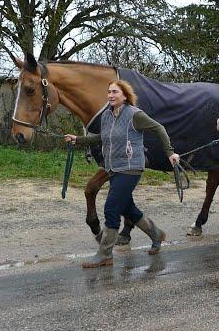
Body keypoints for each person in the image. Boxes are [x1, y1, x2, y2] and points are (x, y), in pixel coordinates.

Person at [65, 80, 180, 268]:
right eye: (109, 92)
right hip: (113, 168)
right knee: (128, 209)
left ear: (125, 96)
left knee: (111, 208)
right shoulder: (107, 116)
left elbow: (159, 128)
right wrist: (77, 140)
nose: (110, 95)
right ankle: (157, 234)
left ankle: (104, 254)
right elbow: (101, 138)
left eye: (115, 92)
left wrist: (170, 152)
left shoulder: (135, 115)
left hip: (131, 167)